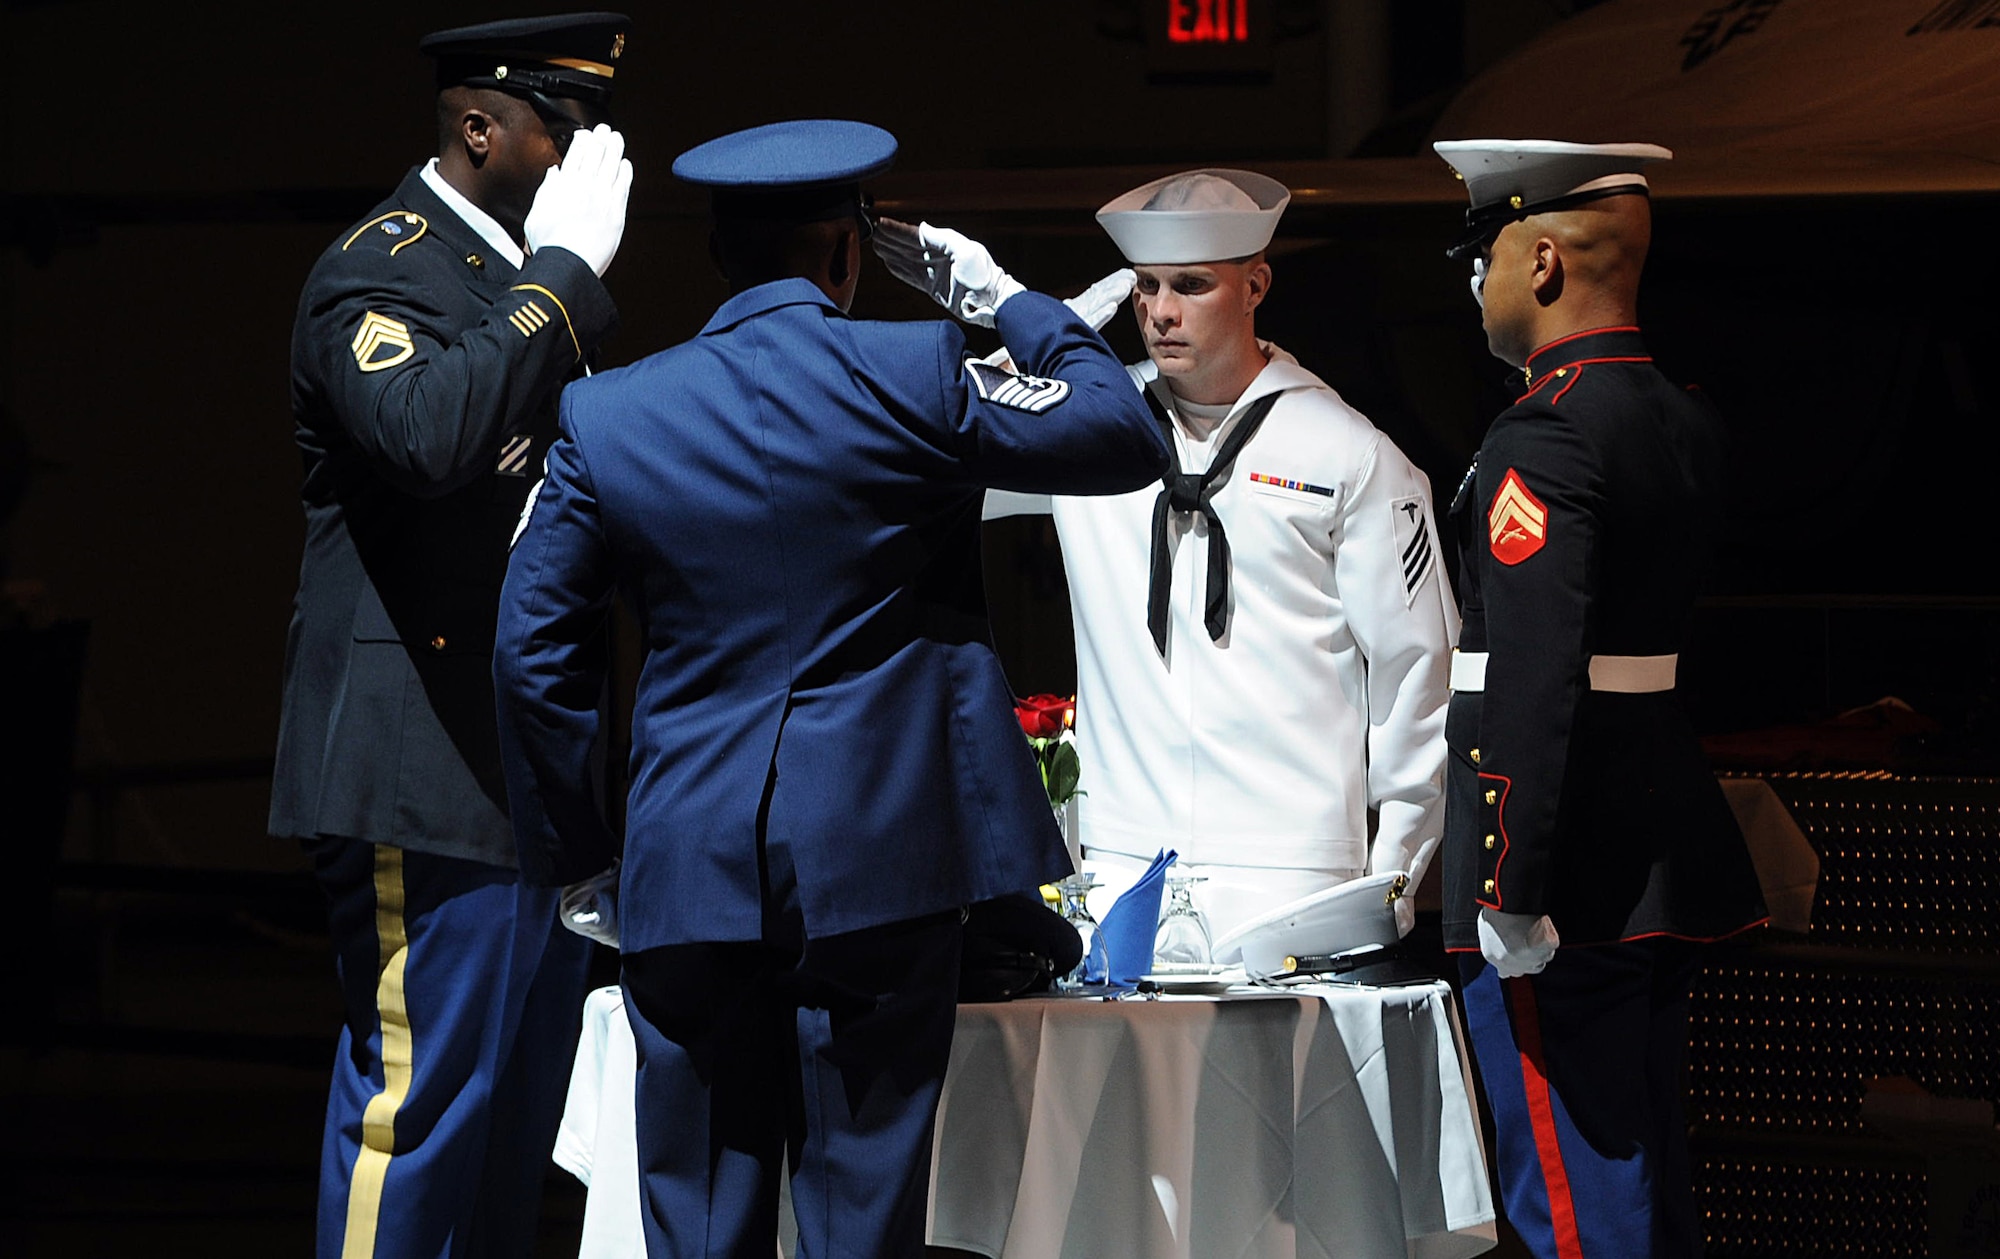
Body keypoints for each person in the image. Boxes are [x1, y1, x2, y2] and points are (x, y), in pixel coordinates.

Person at [492, 119, 1166, 1259]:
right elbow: (1119, 429)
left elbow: (531, 650)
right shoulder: (915, 372)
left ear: (718, 255)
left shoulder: (607, 416)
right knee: (862, 1218)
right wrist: (1004, 301)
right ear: (848, 253)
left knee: (700, 1218)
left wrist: (584, 854)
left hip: (689, 862)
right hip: (879, 858)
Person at [267, 14, 633, 1258]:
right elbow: (426, 434)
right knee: (416, 1109)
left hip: (527, 764)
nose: (588, 161)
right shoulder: (381, 268)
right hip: (420, 766)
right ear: (481, 128)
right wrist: (564, 277)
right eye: (564, 128)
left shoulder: (522, 280)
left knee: (509, 1122)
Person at [882, 169, 1457, 943]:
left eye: (1191, 285)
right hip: (1123, 862)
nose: (1160, 312)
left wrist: (1391, 879)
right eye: (1146, 286)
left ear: (1256, 285)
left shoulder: (1345, 451)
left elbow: (1417, 672)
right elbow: (943, 462)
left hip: (1294, 871)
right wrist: (1027, 338)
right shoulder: (1089, 433)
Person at [1431, 139, 1768, 1258]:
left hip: (1562, 871)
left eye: (1477, 257)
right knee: (1637, 1162)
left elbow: (1535, 679)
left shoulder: (1544, 430)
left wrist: (1507, 882)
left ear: (1534, 264)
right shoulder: (1676, 413)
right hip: (1652, 844)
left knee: (1567, 1193)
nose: (1470, 285)